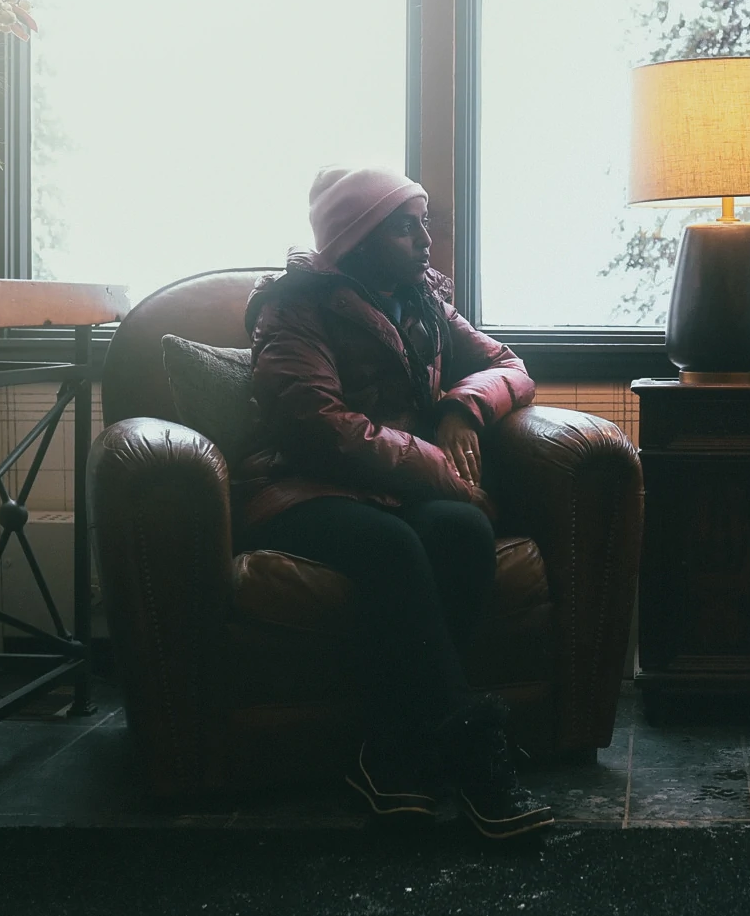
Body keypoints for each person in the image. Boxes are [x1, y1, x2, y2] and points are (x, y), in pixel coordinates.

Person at [233, 166, 550, 840]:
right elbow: (318, 423)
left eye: (423, 222)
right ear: (357, 235)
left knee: (462, 530)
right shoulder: (293, 305)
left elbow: (511, 366)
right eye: (404, 226)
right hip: (300, 484)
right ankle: (469, 746)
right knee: (392, 546)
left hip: (393, 484)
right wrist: (439, 466)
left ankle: (391, 750)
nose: (424, 240)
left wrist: (462, 409)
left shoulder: (424, 300)